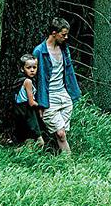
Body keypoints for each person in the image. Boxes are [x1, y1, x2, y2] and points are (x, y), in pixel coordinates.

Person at [33, 17, 81, 154]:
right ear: (54, 33)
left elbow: (68, 73)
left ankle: (59, 157)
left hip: (64, 96)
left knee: (62, 133)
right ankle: (69, 162)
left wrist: (72, 95)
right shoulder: (39, 51)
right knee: (60, 133)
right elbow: (35, 79)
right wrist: (40, 104)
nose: (66, 37)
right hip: (49, 97)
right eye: (63, 34)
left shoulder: (64, 49)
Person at [13, 54, 44, 147]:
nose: (32, 70)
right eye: (29, 67)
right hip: (27, 110)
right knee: (40, 141)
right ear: (22, 69)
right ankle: (21, 152)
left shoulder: (19, 80)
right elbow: (31, 102)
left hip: (19, 111)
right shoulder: (28, 81)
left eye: (34, 67)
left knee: (29, 139)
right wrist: (41, 106)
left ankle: (24, 153)